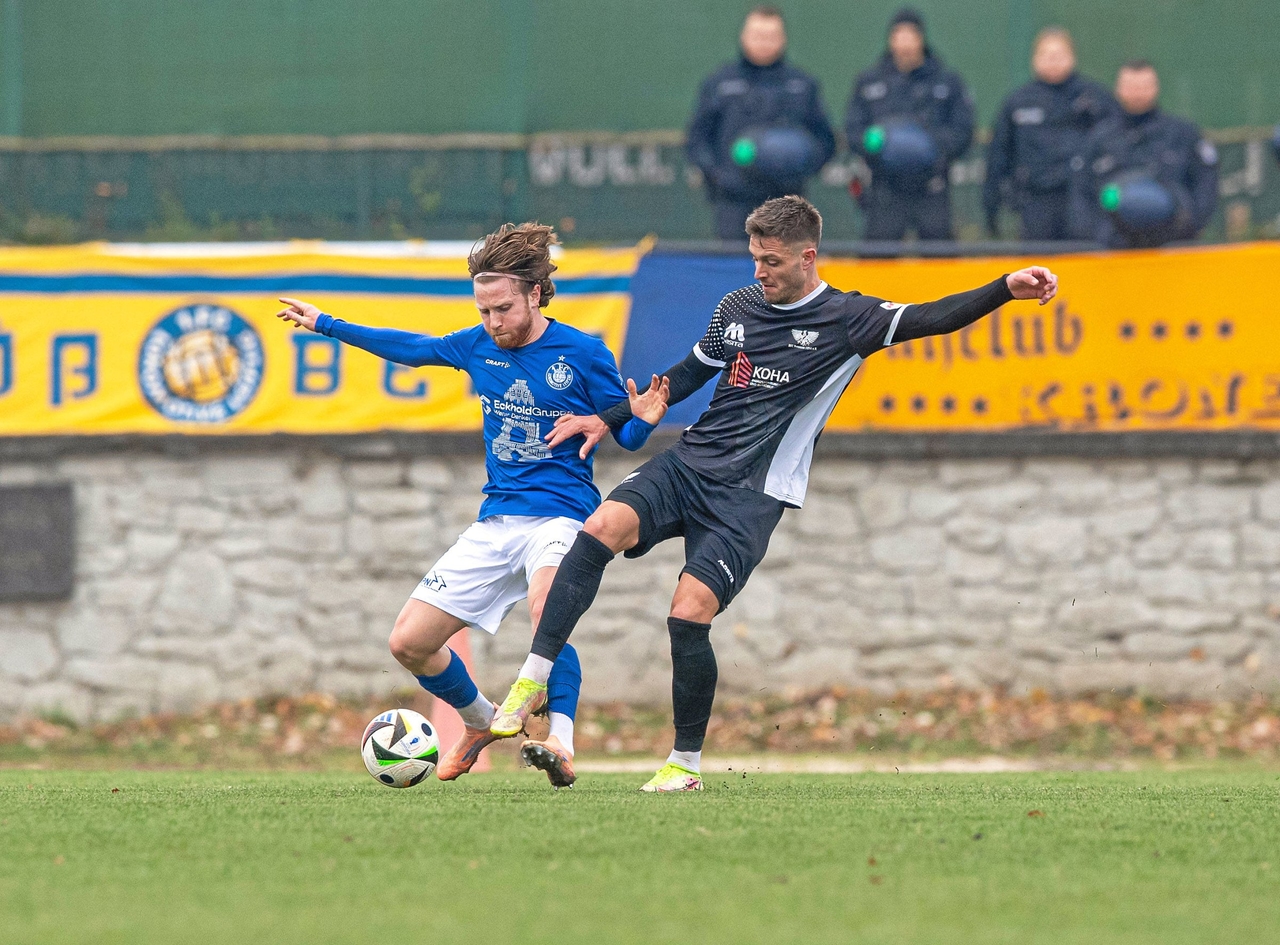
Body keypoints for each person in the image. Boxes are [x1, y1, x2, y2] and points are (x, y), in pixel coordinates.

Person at [486, 196, 1058, 792]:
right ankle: (534, 676)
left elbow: (932, 316)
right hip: (689, 465)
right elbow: (684, 375)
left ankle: (684, 765)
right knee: (599, 526)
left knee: (689, 613)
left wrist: (1004, 287)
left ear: (808, 258)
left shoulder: (847, 319)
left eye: (772, 261)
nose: (759, 272)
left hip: (751, 496)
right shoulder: (738, 306)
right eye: (755, 258)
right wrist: (610, 417)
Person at [274, 223, 669, 788]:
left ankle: (560, 738)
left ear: (535, 293)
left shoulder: (584, 352)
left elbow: (621, 434)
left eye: (503, 308)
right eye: (483, 310)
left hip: (562, 516)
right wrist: (327, 325)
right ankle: (481, 721)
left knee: (546, 612)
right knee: (409, 643)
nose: (493, 323)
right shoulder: (478, 345)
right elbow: (414, 349)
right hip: (496, 520)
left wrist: (644, 421)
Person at [686, 5, 836, 241]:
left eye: (771, 36)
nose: (764, 42)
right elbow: (697, 139)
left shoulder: (802, 85)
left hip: (787, 206)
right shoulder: (720, 83)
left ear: (783, 39)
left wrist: (801, 168)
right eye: (757, 35)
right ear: (743, 37)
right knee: (733, 274)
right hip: (734, 205)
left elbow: (826, 141)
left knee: (785, 275)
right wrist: (718, 175)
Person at [844, 8, 975, 241]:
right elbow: (853, 129)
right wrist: (873, 146)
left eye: (911, 35)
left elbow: (963, 129)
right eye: (899, 35)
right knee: (877, 264)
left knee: (940, 264)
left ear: (921, 38)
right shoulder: (869, 82)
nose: (905, 43)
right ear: (890, 39)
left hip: (932, 187)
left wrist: (932, 148)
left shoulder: (946, 81)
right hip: (885, 188)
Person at [983, 27, 1117, 240]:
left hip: (1083, 201)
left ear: (1072, 57)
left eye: (1059, 55)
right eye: (1046, 55)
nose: (1053, 61)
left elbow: (1116, 148)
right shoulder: (1018, 102)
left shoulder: (1095, 98)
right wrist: (994, 203)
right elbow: (999, 154)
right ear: (1034, 59)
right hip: (1035, 201)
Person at [1069, 60, 1218, 248]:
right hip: (1113, 252)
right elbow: (1080, 191)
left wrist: (1190, 226)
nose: (1137, 93)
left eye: (1143, 86)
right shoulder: (1099, 139)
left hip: (1172, 248)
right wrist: (1095, 235)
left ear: (1155, 87)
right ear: (1119, 89)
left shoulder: (1182, 134)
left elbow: (1206, 183)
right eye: (1131, 86)